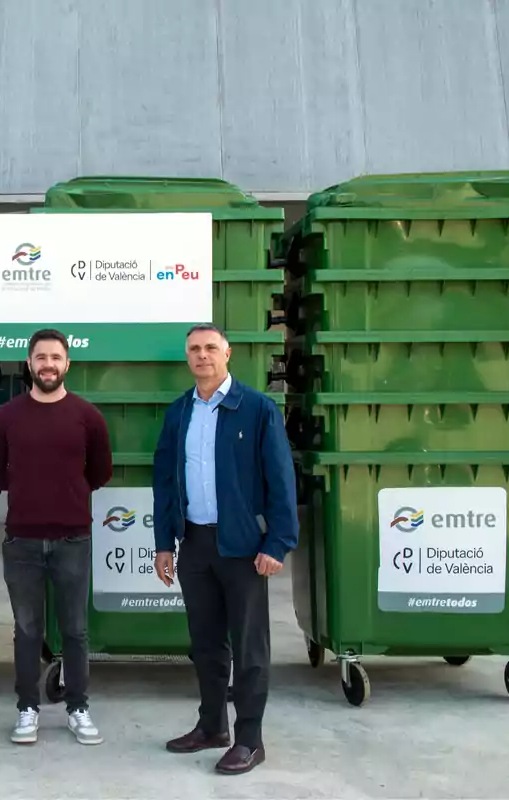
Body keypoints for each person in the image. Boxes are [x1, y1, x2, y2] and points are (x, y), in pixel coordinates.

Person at [150, 322, 297, 776]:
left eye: (211, 347)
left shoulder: (256, 409)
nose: (202, 356)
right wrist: (163, 543)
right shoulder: (180, 412)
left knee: (250, 647)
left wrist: (278, 541)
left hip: (243, 548)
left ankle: (250, 739)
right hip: (194, 543)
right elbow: (165, 482)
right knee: (206, 644)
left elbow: (281, 480)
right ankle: (212, 726)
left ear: (227, 354)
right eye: (194, 349)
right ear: (187, 357)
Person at [0, 328, 112, 746]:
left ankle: (78, 707)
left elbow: (100, 473)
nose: (48, 365)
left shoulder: (87, 416)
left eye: (56, 357)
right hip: (21, 540)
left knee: (74, 630)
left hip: (73, 538)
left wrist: (66, 495)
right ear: (29, 363)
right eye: (41, 357)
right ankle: (27, 709)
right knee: (26, 629)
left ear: (67, 363)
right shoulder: (7, 417)